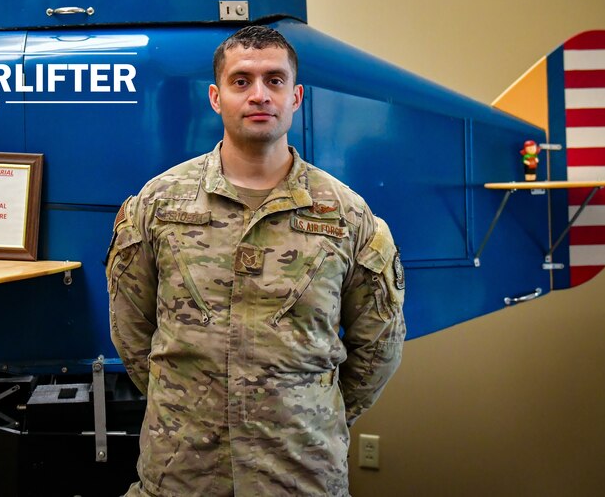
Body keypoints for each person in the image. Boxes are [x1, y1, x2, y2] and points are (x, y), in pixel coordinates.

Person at [106, 26, 406, 496]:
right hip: (185, 472)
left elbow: (378, 347)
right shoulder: (159, 204)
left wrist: (307, 409)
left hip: (298, 473)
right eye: (241, 81)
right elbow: (131, 331)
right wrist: (192, 402)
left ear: (296, 96)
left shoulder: (347, 216)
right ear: (215, 96)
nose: (259, 95)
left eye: (275, 80)